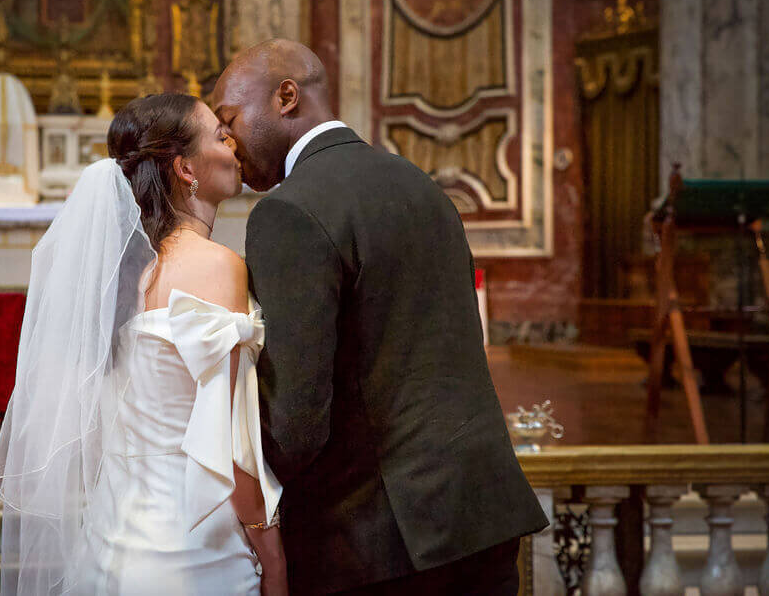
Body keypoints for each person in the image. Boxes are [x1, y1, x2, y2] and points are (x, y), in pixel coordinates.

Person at [211, 39, 548, 595]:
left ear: (286, 97)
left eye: (231, 119)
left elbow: (296, 422)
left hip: (379, 540)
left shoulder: (290, 210)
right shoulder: (421, 185)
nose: (228, 141)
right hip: (483, 511)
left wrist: (246, 492)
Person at [0, 93, 287, 595]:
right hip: (193, 551)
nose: (232, 142)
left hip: (113, 540)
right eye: (219, 134)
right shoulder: (216, 266)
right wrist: (270, 549)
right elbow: (231, 442)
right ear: (185, 168)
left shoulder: (122, 276)